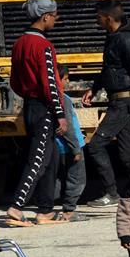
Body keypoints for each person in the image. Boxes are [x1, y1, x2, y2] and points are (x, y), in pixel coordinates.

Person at [5, 0, 68, 227]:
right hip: (45, 108)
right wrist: (60, 113)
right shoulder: (43, 46)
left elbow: (15, 81)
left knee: (50, 159)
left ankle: (46, 211)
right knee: (38, 160)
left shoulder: (19, 43)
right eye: (53, 16)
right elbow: (49, 83)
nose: (54, 19)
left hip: (30, 105)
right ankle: (16, 207)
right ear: (45, 17)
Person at [83, 0, 130, 208]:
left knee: (95, 146)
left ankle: (111, 193)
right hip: (120, 101)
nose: (97, 22)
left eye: (98, 18)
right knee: (126, 152)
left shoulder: (125, 40)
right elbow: (108, 69)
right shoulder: (113, 38)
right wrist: (94, 89)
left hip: (123, 102)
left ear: (108, 18)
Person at [54, 66, 87, 222]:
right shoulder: (63, 99)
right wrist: (76, 149)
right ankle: (69, 211)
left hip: (58, 147)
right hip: (71, 146)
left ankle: (49, 207)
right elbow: (68, 127)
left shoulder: (50, 98)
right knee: (76, 178)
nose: (67, 82)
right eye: (65, 79)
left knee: (59, 177)